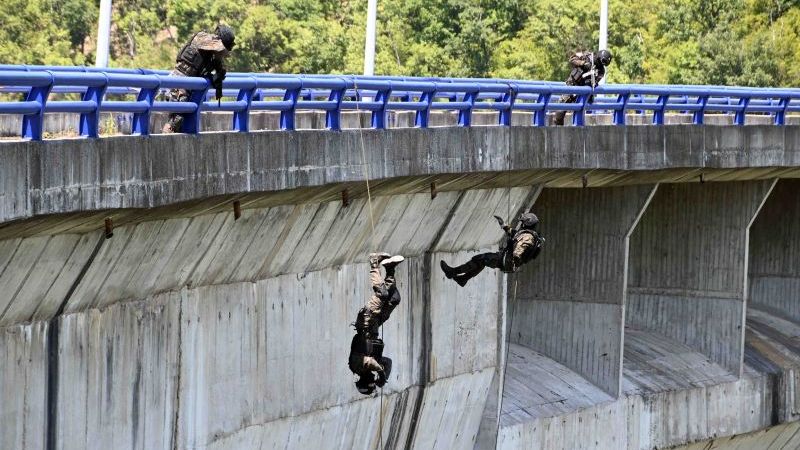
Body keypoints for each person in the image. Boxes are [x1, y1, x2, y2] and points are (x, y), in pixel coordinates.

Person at [348, 252, 404, 395]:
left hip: (366, 322)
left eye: (371, 381)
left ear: (364, 381)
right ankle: (390, 268)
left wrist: (381, 372)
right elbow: (388, 362)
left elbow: (368, 361)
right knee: (394, 299)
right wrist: (384, 377)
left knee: (382, 294)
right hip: (375, 325)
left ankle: (374, 262)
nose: (373, 378)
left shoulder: (356, 367)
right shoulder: (373, 367)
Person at [162, 25, 235, 133]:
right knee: (176, 119)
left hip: (189, 85)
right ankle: (165, 138)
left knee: (181, 121)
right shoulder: (203, 38)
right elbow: (218, 48)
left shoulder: (212, 53)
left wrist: (218, 75)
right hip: (179, 80)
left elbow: (218, 64)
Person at [440, 212, 544, 287]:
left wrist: (514, 253)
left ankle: (453, 272)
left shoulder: (527, 237)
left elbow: (518, 252)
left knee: (479, 258)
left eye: (522, 222)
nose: (521, 224)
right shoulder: (528, 234)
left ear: (527, 223)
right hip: (507, 260)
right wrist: (503, 225)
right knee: (482, 262)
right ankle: (462, 279)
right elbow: (514, 234)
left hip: (507, 260)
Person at [554, 49, 613, 126]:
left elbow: (595, 82)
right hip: (572, 85)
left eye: (604, 63)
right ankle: (559, 129)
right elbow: (572, 59)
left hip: (583, 91)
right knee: (560, 111)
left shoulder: (601, 71)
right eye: (602, 61)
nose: (602, 64)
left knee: (580, 111)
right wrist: (582, 63)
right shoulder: (587, 56)